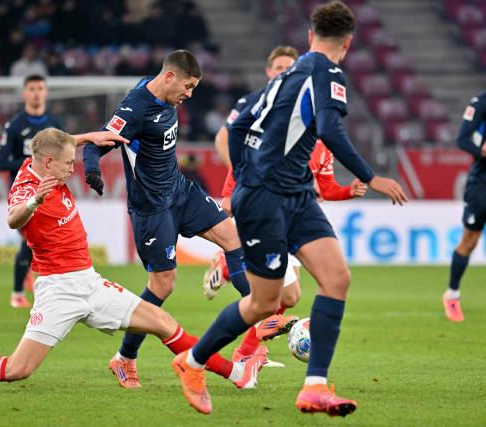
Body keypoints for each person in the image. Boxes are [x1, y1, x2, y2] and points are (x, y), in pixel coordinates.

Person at [172, 1, 408, 416]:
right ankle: (191, 363)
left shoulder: (287, 78)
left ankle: (314, 387)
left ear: (309, 36)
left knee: (336, 278)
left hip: (296, 194)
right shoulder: (326, 72)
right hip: (266, 199)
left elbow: (236, 127)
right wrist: (371, 177)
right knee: (264, 303)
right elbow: (333, 129)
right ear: (348, 43)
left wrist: (246, 171)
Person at [0, 128, 267, 394]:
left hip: (89, 282)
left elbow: (63, 143)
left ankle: (236, 373)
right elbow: (13, 217)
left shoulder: (47, 159)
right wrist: (34, 203)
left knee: (162, 321)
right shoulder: (28, 187)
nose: (72, 168)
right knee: (18, 369)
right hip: (58, 290)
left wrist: (90, 137)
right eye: (66, 164)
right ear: (47, 163)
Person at [83, 50, 270, 388]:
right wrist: (92, 168)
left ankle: (260, 312)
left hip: (182, 192)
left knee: (233, 238)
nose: (189, 94)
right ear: (170, 77)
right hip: (152, 209)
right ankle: (124, 357)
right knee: (163, 285)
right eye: (188, 86)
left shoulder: (164, 93)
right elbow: (96, 143)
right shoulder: (136, 108)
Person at [204, 47, 367, 365]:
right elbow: (239, 150)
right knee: (278, 296)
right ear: (269, 72)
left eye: (288, 67)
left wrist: (349, 191)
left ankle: (240, 349)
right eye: (277, 66)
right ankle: (216, 353)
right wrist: (232, 194)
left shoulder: (319, 142)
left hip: (296, 215)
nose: (283, 72)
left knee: (284, 296)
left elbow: (327, 188)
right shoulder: (267, 118)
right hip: (266, 211)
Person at [0, 74, 63, 308]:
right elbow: (2, 162)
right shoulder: (15, 125)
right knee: (28, 242)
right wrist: (31, 163)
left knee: (46, 242)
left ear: (46, 93)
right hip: (24, 192)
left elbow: (63, 158)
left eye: (40, 88)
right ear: (25, 93)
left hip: (49, 192)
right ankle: (17, 294)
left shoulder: (55, 125)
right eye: (32, 88)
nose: (36, 93)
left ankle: (37, 283)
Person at [442, 91, 486, 322]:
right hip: (482, 184)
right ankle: (452, 294)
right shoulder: (480, 103)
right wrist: (481, 151)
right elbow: (462, 139)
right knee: (470, 240)